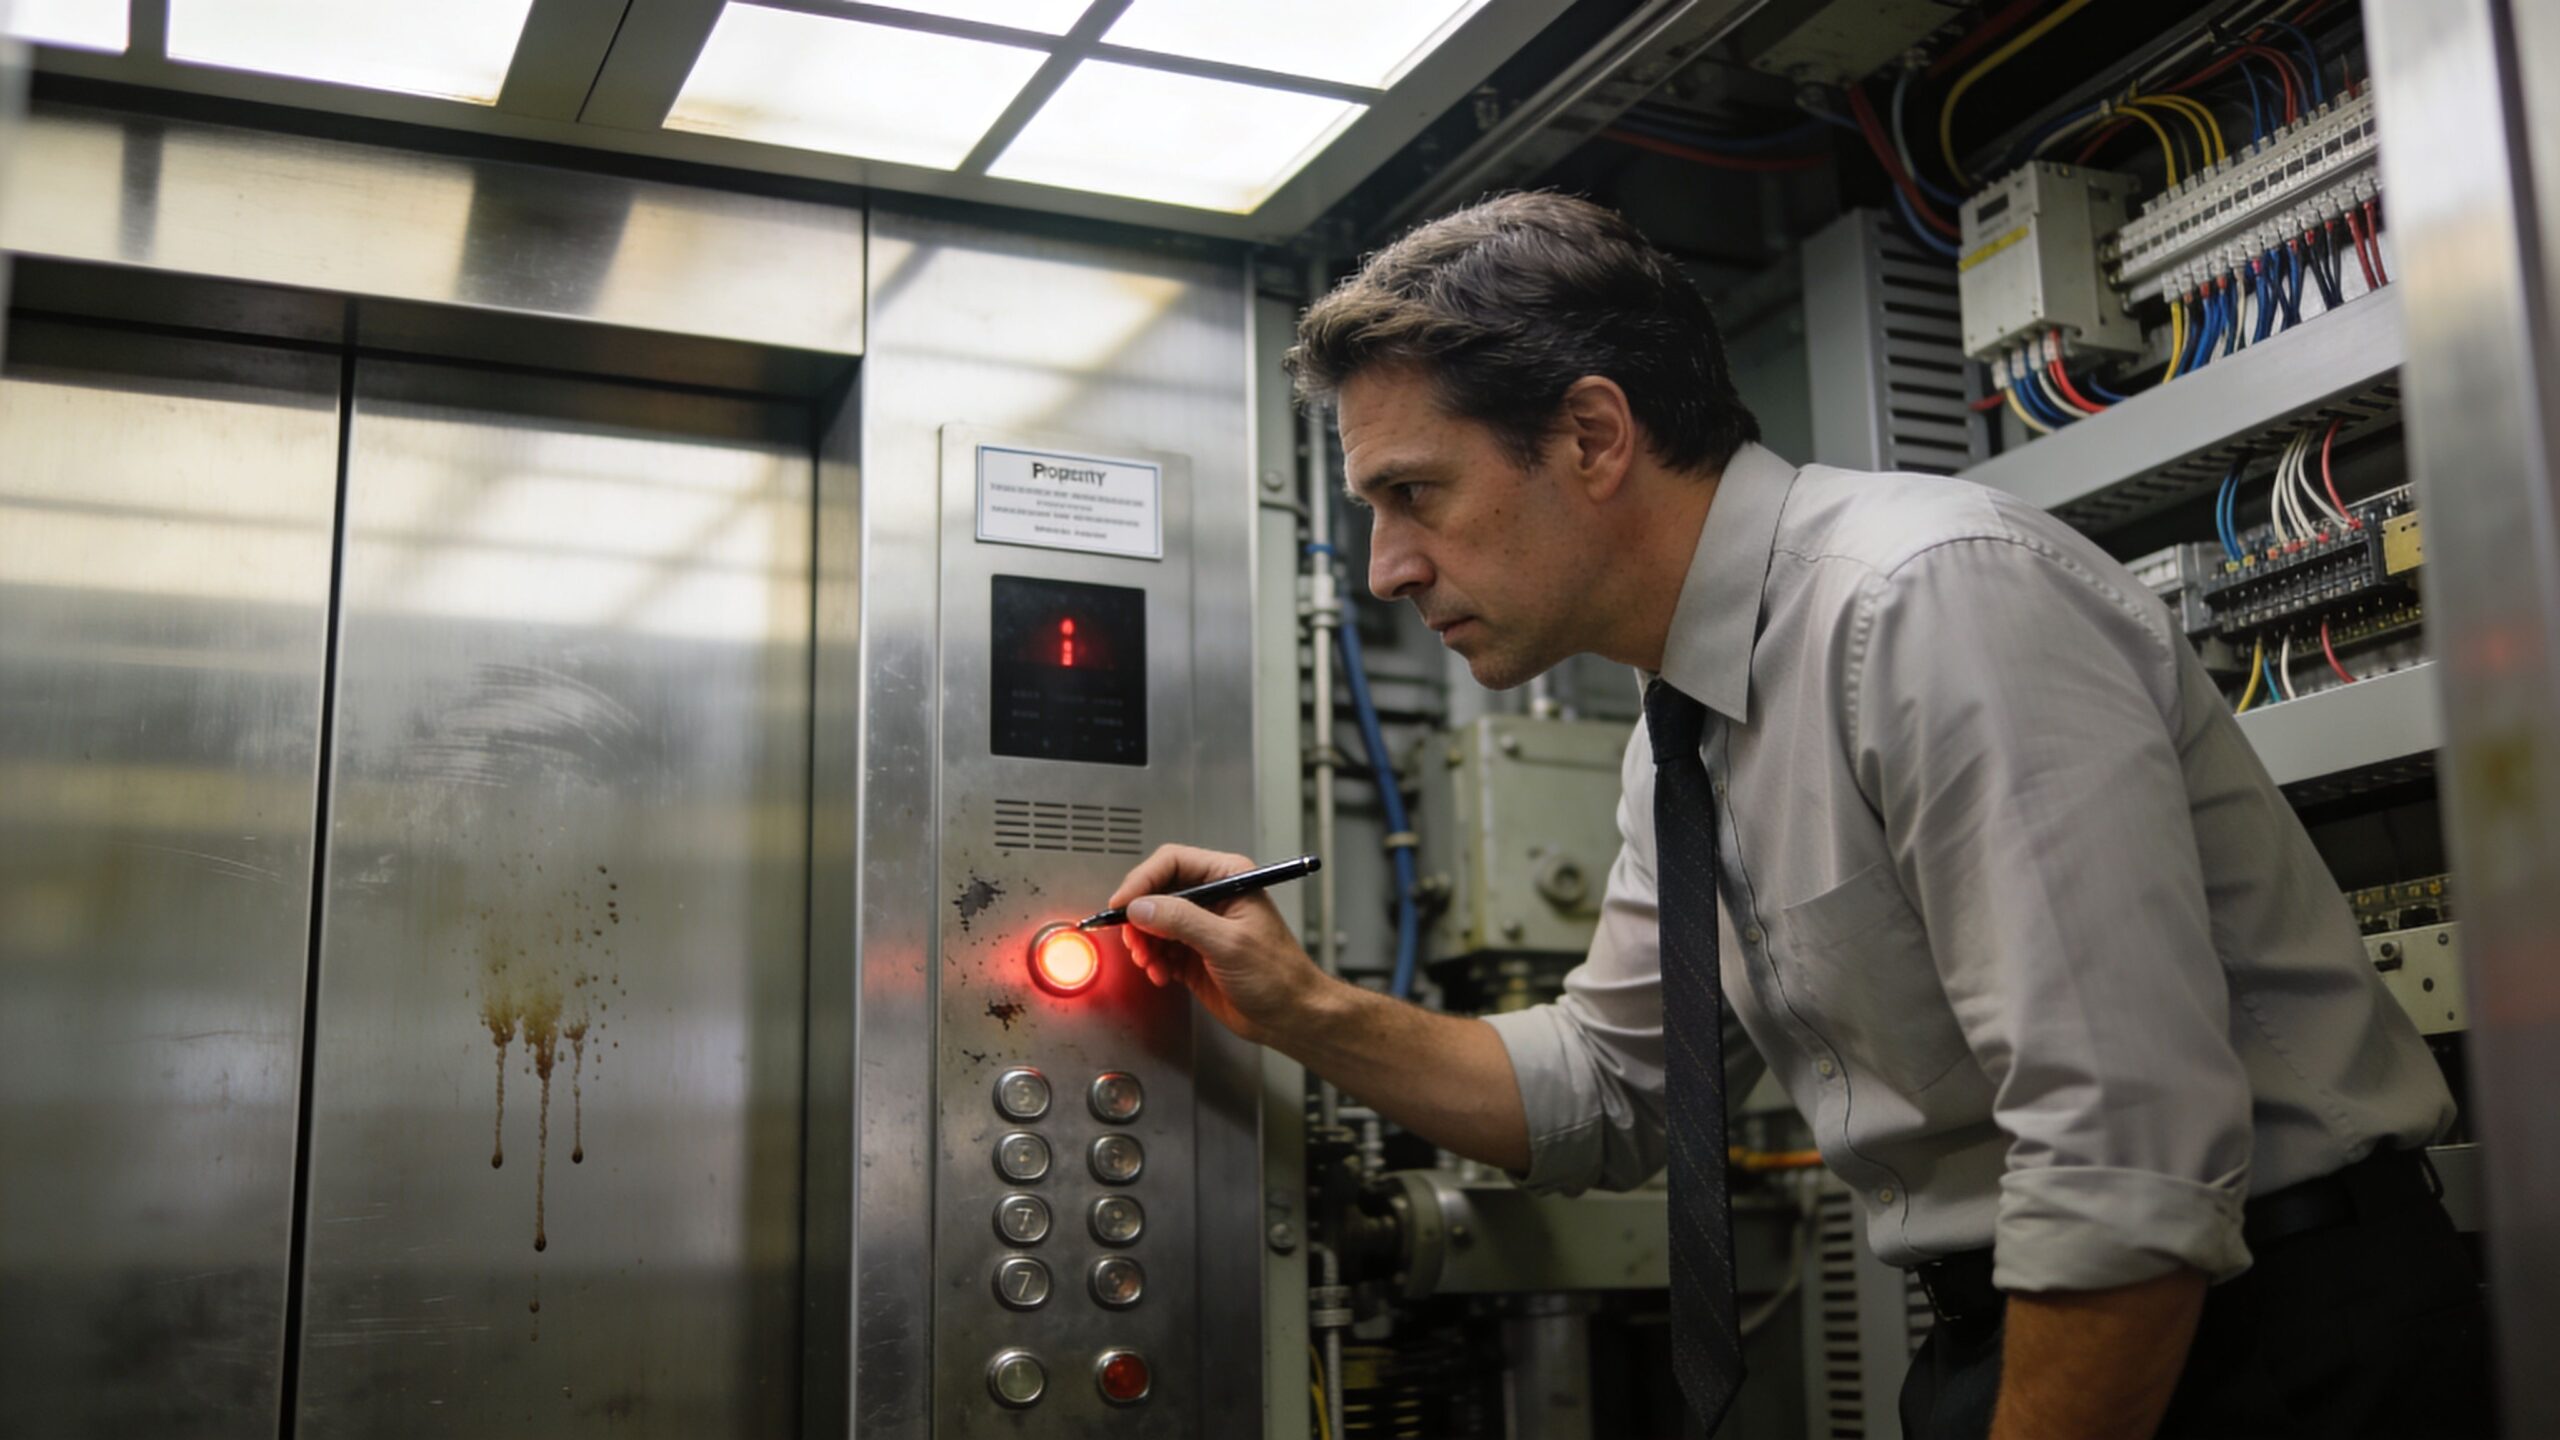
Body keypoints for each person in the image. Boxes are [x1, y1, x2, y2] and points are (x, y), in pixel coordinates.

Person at [1105, 193, 2493, 1440]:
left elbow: (2121, 1147)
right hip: (2019, 1335)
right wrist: (1293, 1005)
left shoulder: (1930, 601)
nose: (1388, 566)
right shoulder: (1684, 733)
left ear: (1592, 435)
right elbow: (1612, 1089)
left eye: (1413, 494)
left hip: (2254, 1343)